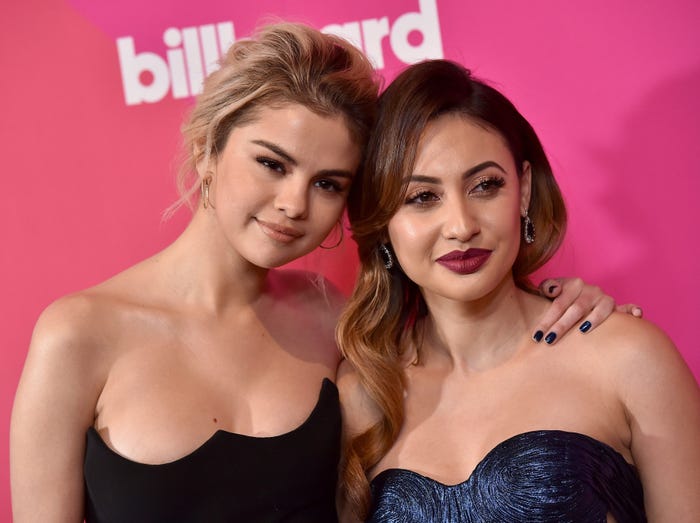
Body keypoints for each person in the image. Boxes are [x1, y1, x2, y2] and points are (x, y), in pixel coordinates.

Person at [10, 24, 636, 523]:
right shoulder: (79, 335)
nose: (294, 204)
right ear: (207, 149)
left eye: (327, 183)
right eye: (271, 164)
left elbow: (479, 361)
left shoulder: (340, 324)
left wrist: (566, 299)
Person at [337, 59, 700, 522]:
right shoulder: (362, 394)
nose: (462, 226)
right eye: (422, 197)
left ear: (523, 190)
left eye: (486, 186)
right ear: (383, 224)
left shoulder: (628, 359)